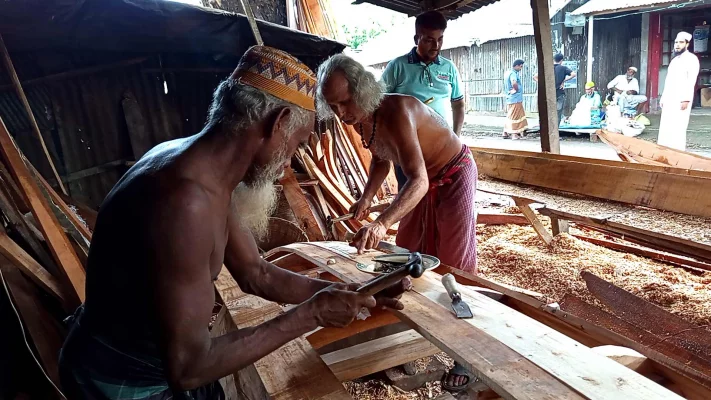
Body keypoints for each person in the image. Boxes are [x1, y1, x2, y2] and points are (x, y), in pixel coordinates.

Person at [58, 46, 409, 400]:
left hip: (146, 363)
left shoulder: (198, 166)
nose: (291, 160)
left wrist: (352, 295)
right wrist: (311, 314)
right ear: (279, 122)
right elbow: (188, 367)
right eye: (297, 144)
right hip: (122, 381)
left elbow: (256, 273)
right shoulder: (183, 201)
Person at [317, 53, 477, 393]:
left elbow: (417, 180)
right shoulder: (361, 117)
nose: (341, 114)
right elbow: (380, 159)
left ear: (362, 92)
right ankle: (411, 331)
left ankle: (467, 354)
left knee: (456, 257)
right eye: (333, 106)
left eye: (345, 104)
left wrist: (379, 224)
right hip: (424, 179)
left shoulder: (400, 109)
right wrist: (365, 198)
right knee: (407, 252)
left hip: (454, 172)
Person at [380, 10, 465, 189]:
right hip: (406, 147)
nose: (436, 46)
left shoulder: (449, 68)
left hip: (441, 147)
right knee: (410, 197)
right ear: (416, 39)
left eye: (440, 39)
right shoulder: (397, 67)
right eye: (428, 40)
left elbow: (458, 104)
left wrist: (455, 137)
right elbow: (379, 103)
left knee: (440, 199)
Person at [658, 31, 700, 150]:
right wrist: (663, 97)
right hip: (670, 97)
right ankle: (664, 149)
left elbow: (691, 80)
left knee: (678, 125)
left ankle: (677, 150)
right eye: (676, 42)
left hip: (681, 98)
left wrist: (686, 99)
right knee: (666, 124)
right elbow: (668, 81)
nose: (677, 45)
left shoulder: (692, 59)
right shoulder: (674, 60)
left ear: (687, 44)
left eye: (681, 42)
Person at [534, 53, 576, 125]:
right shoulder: (563, 68)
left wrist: (544, 84)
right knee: (558, 112)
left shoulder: (547, 68)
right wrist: (563, 80)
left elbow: (535, 77)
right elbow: (573, 74)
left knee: (547, 111)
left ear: (553, 60)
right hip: (559, 93)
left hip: (548, 93)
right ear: (561, 60)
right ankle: (556, 130)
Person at [503, 59, 528, 139]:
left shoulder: (507, 73)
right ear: (516, 66)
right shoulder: (513, 74)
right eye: (520, 66)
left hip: (510, 98)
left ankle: (505, 132)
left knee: (510, 115)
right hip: (515, 98)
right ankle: (514, 134)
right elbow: (514, 82)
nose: (521, 68)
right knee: (515, 116)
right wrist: (516, 89)